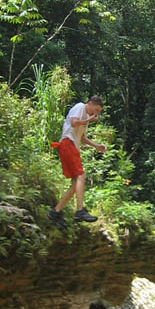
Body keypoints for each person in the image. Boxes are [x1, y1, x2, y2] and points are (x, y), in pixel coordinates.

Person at [48, 95, 107, 225]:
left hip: (71, 146)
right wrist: (89, 119)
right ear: (90, 103)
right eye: (96, 109)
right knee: (81, 176)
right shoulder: (80, 107)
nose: (96, 113)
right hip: (67, 144)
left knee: (76, 183)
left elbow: (81, 138)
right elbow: (74, 123)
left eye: (98, 112)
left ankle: (56, 211)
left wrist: (96, 146)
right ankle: (80, 211)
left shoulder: (86, 118)